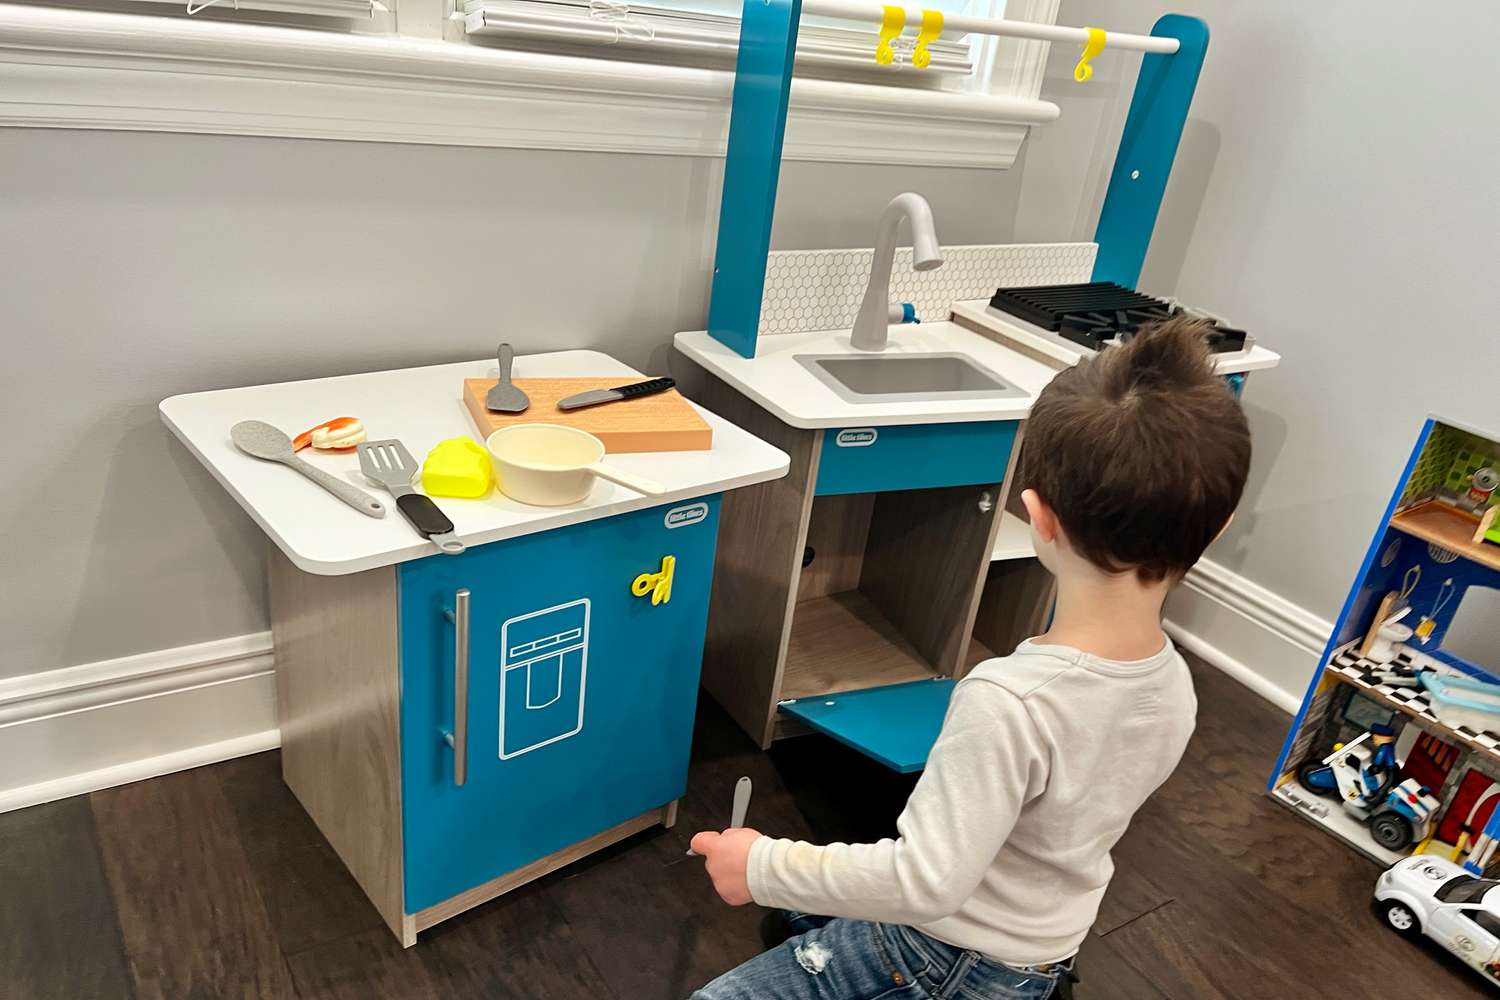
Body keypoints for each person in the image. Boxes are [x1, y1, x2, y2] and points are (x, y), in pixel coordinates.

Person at [688, 317, 1253, 999]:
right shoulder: (1175, 685)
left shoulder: (1008, 699)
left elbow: (924, 883)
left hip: (945, 955)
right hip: (1039, 951)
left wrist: (761, 864)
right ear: (1217, 528)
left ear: (1038, 519)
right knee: (810, 905)